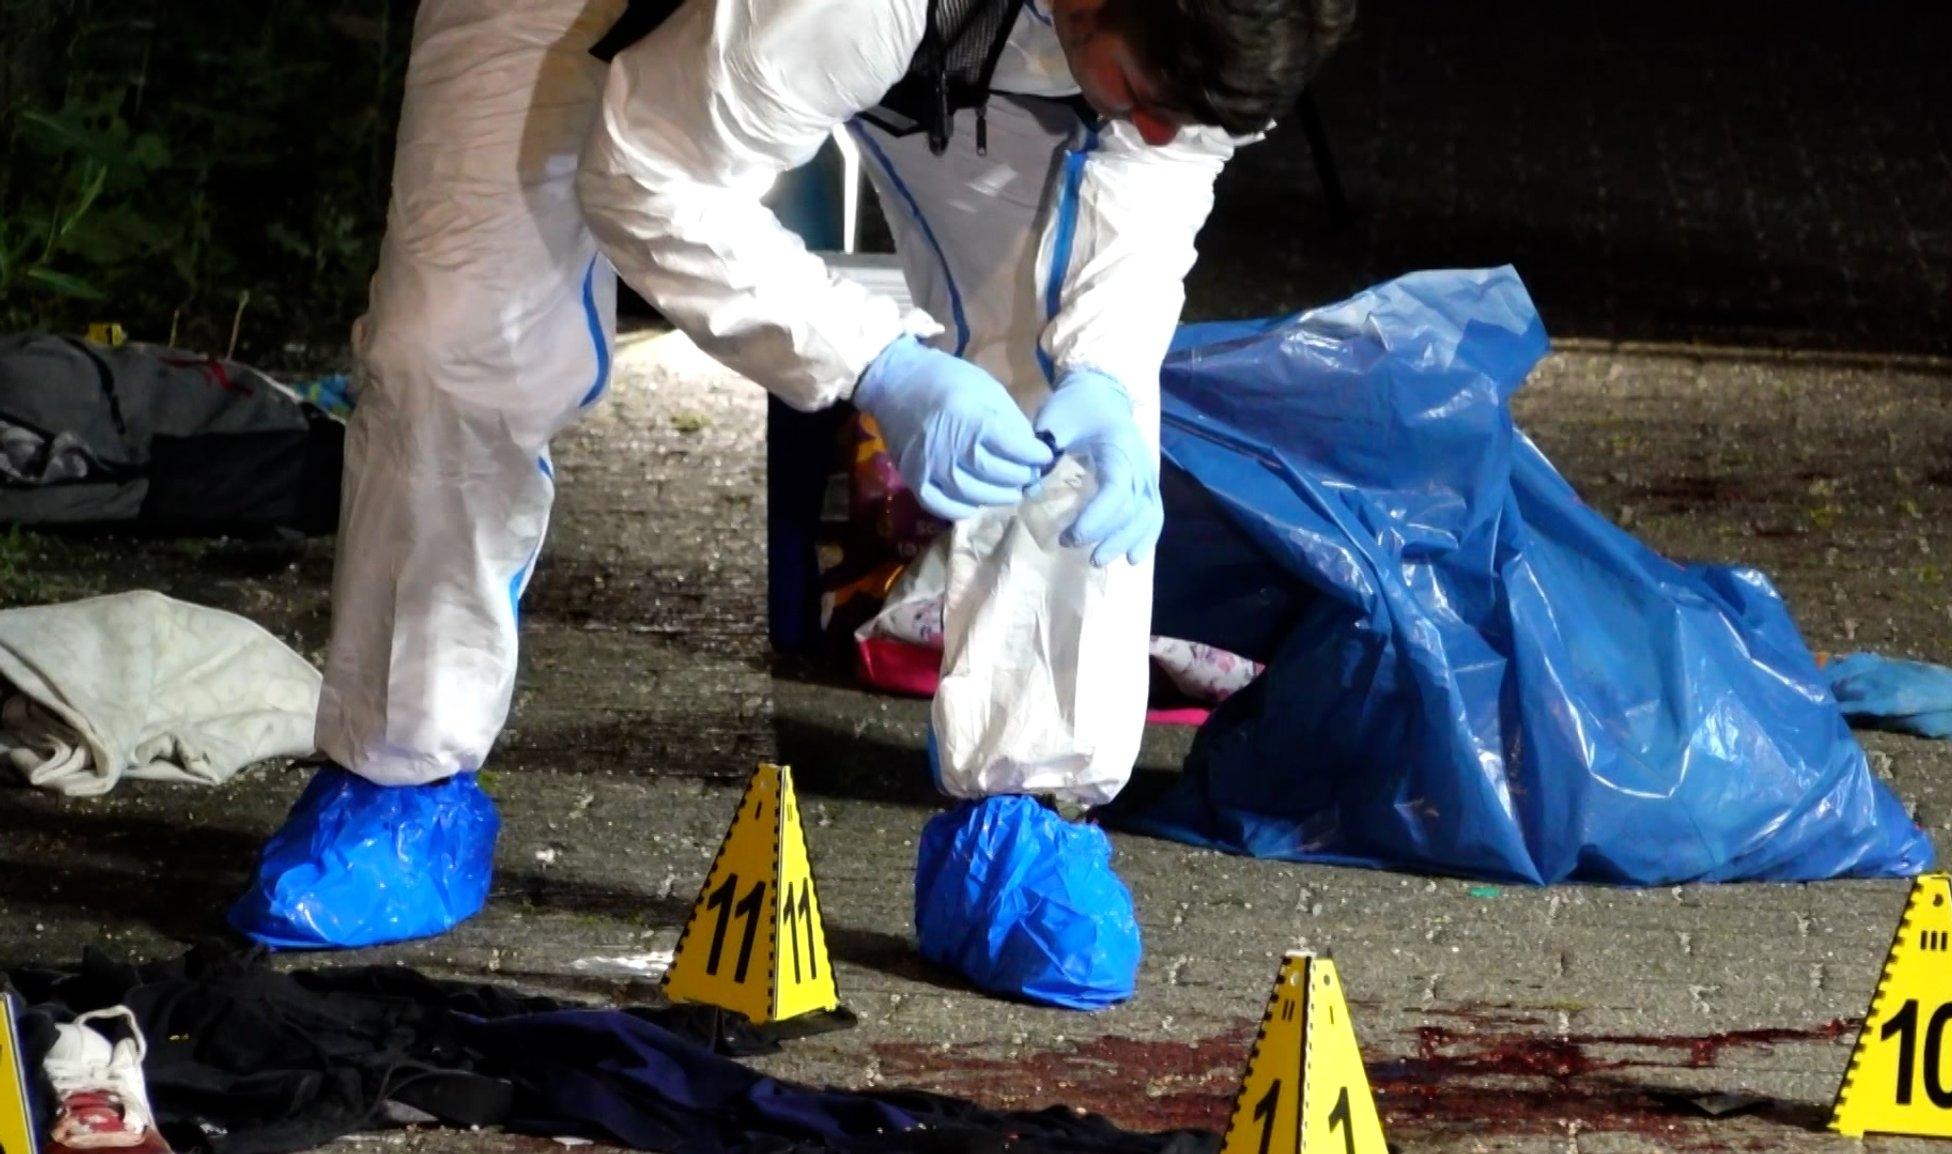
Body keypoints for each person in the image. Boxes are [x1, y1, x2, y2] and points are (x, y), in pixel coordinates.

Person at [229, 0, 1353, 1006]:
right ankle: (396, 772)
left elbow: (1156, 172)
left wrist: (1104, 365)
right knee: (452, 348)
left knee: (1065, 392)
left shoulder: (1228, 23)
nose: (1161, 129)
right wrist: (880, 365)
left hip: (985, 34)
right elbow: (651, 173)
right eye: (1149, 101)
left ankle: (1027, 813)